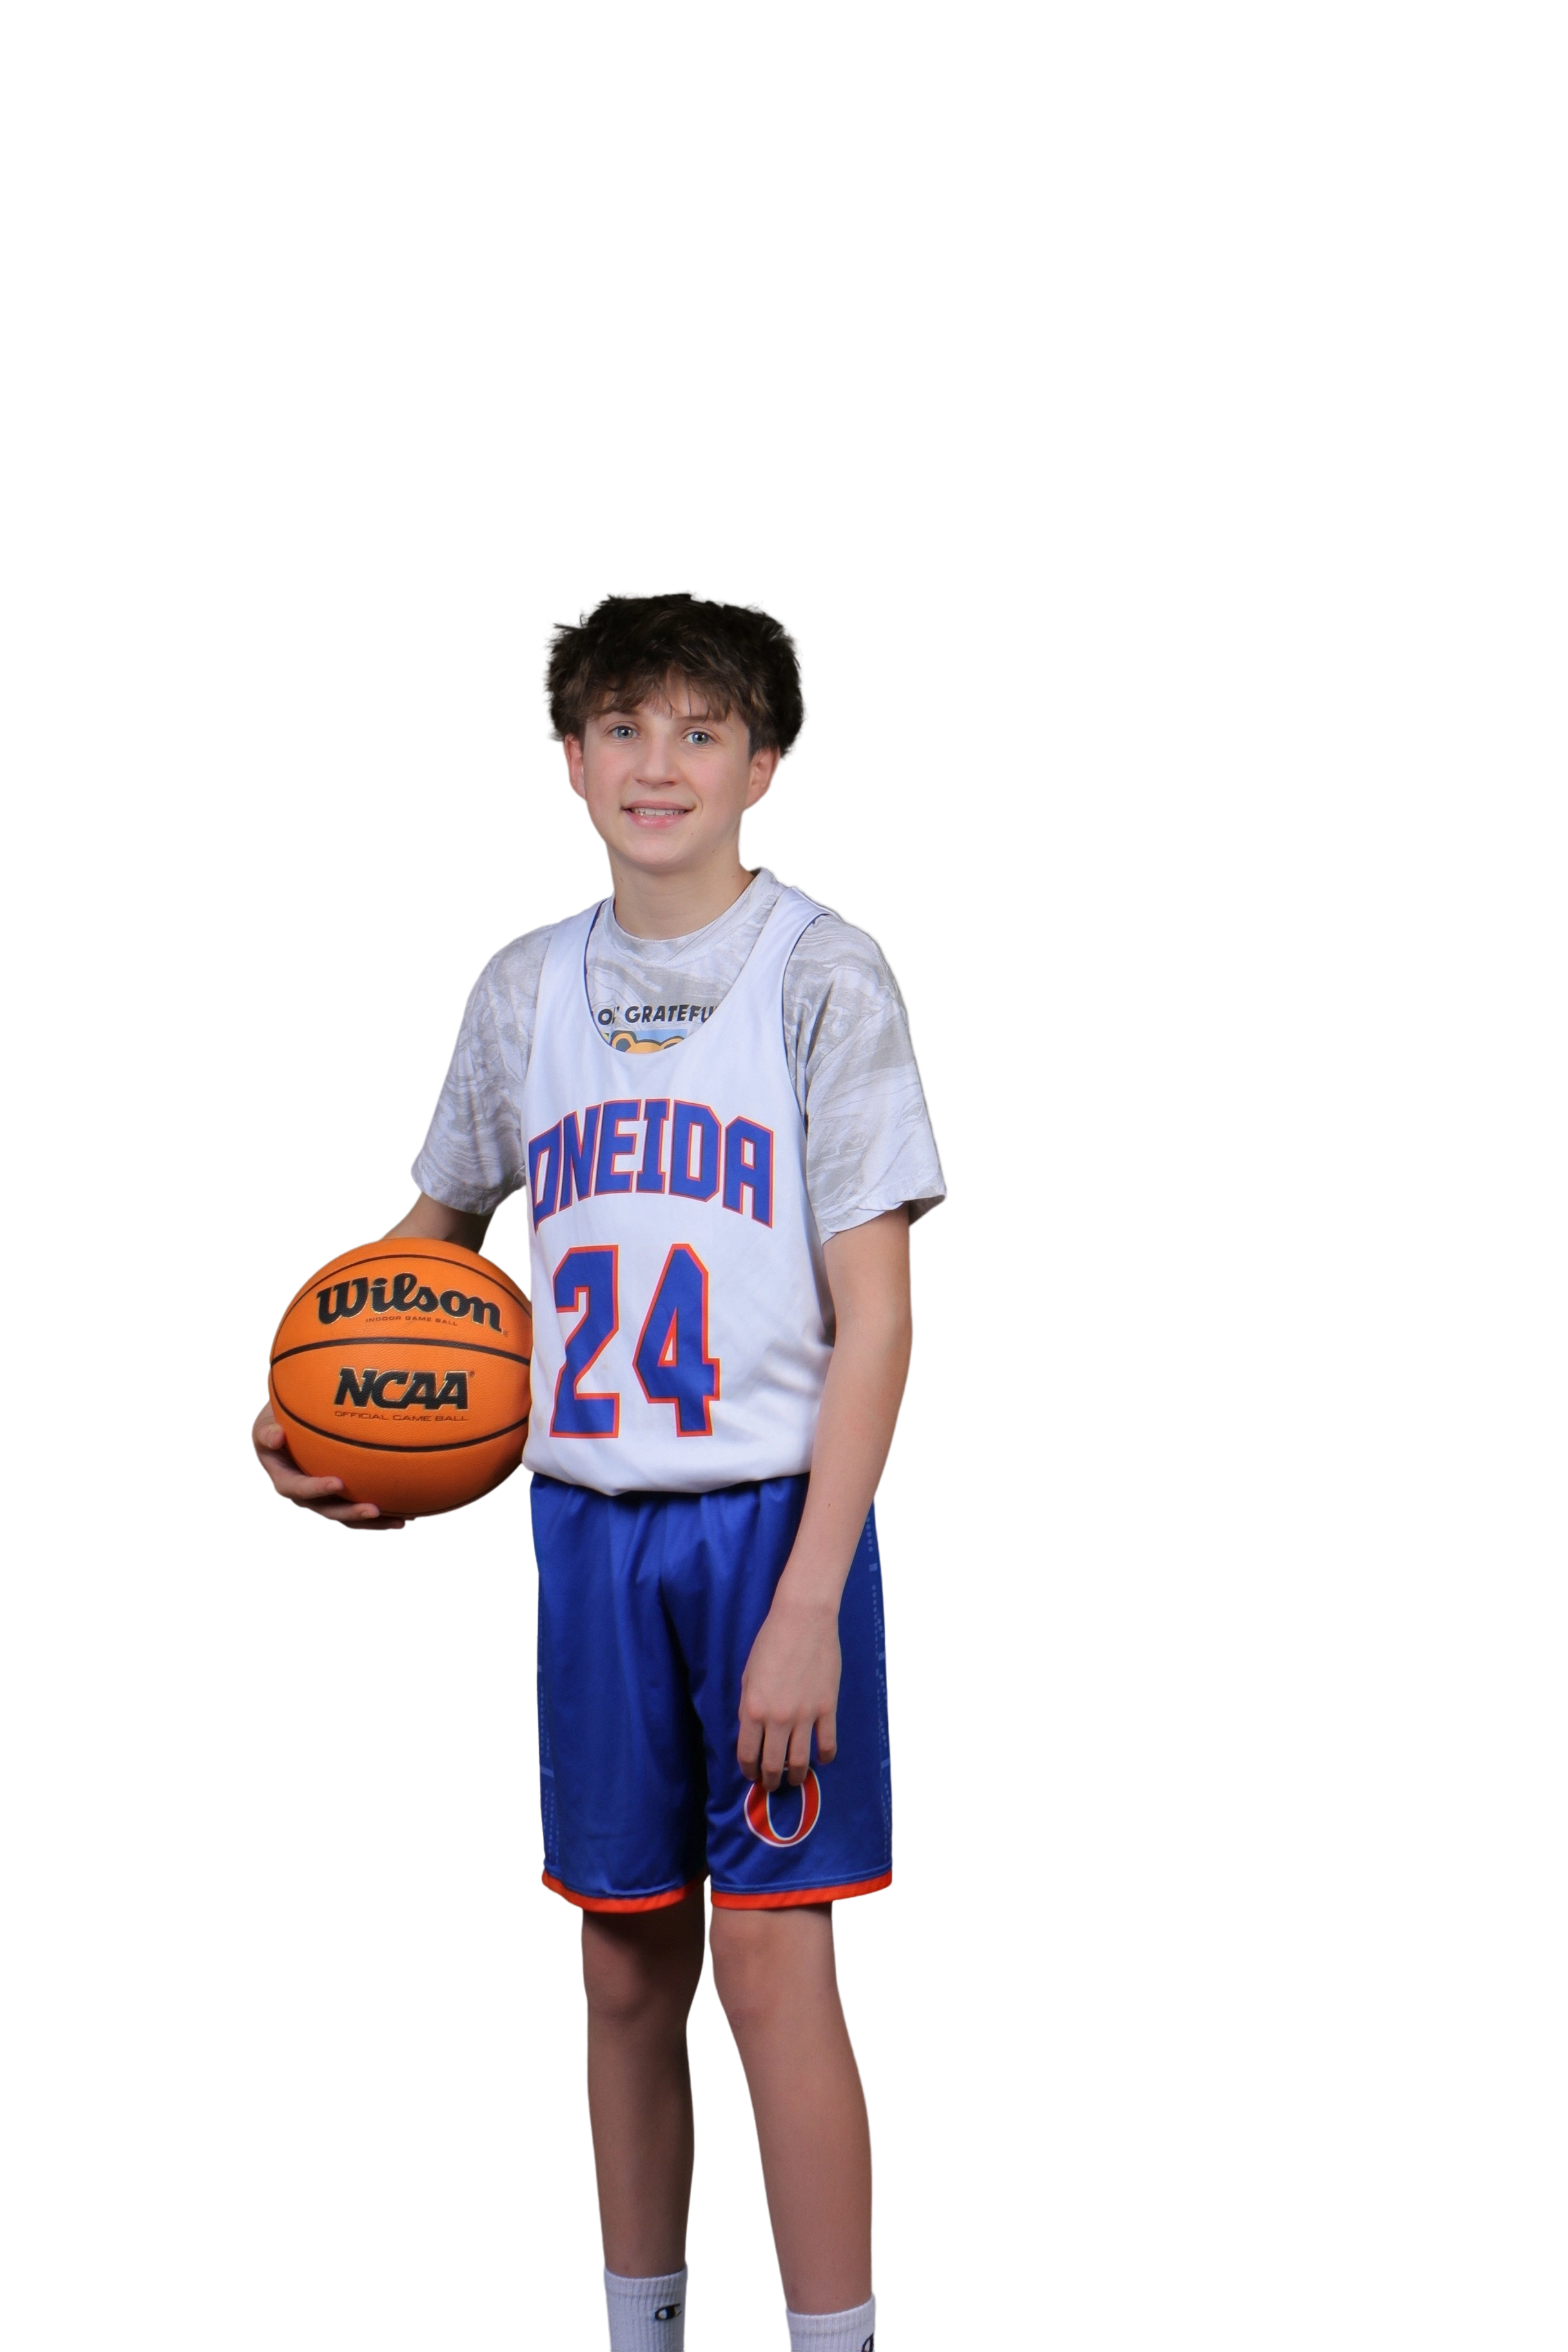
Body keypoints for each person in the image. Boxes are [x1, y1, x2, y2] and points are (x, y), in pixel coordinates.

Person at [249, 588, 946, 2352]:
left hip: (774, 1526)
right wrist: (318, 1407)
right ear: (568, 759)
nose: (660, 763)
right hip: (588, 1523)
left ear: (764, 767)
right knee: (623, 1961)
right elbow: (427, 1246)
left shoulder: (822, 976)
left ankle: (833, 2341)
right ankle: (642, 2332)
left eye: (703, 731)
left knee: (775, 1961)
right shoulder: (524, 986)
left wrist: (812, 1599)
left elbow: (878, 1316)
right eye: (624, 727)